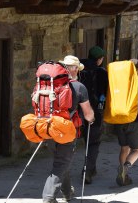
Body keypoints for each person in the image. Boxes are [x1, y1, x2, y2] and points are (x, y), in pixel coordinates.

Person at [42, 55, 95, 203]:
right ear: (76, 69)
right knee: (61, 163)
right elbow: (88, 113)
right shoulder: (79, 87)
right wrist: (91, 119)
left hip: (49, 127)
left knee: (62, 161)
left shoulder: (50, 85)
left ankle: (67, 193)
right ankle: (48, 197)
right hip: (66, 131)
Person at [113, 59, 138, 186]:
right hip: (133, 120)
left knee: (124, 148)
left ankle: (123, 173)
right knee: (136, 150)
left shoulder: (118, 82)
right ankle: (125, 169)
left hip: (118, 119)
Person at [79, 46, 108, 184]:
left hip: (76, 113)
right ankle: (88, 171)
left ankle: (90, 168)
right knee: (93, 143)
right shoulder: (102, 73)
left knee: (70, 145)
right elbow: (106, 92)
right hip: (94, 112)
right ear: (100, 59)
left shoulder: (78, 70)